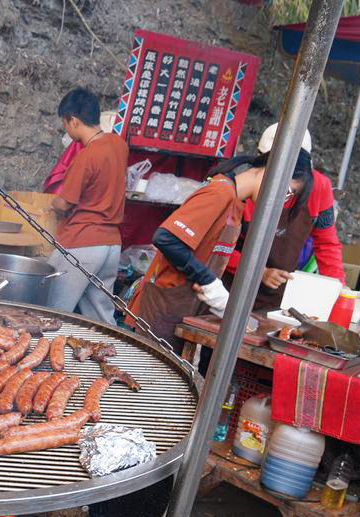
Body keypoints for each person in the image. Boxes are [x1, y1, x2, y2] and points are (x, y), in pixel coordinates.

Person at [128, 150, 312, 349]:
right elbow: (166, 238)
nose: (281, 201)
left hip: (180, 308)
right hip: (160, 307)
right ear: (272, 172)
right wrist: (207, 280)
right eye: (287, 192)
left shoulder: (235, 201)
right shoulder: (220, 192)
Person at [224, 123, 346, 310]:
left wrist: (339, 291)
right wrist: (258, 272)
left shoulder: (320, 188)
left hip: (277, 295)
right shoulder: (244, 186)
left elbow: (327, 244)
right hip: (228, 290)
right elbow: (217, 245)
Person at [45, 88, 129, 324]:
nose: (67, 130)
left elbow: (65, 203)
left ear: (73, 120)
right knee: (101, 318)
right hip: (112, 244)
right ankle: (111, 356)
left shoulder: (85, 156)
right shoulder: (119, 145)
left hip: (82, 243)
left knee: (51, 311)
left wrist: (51, 205)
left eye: (65, 124)